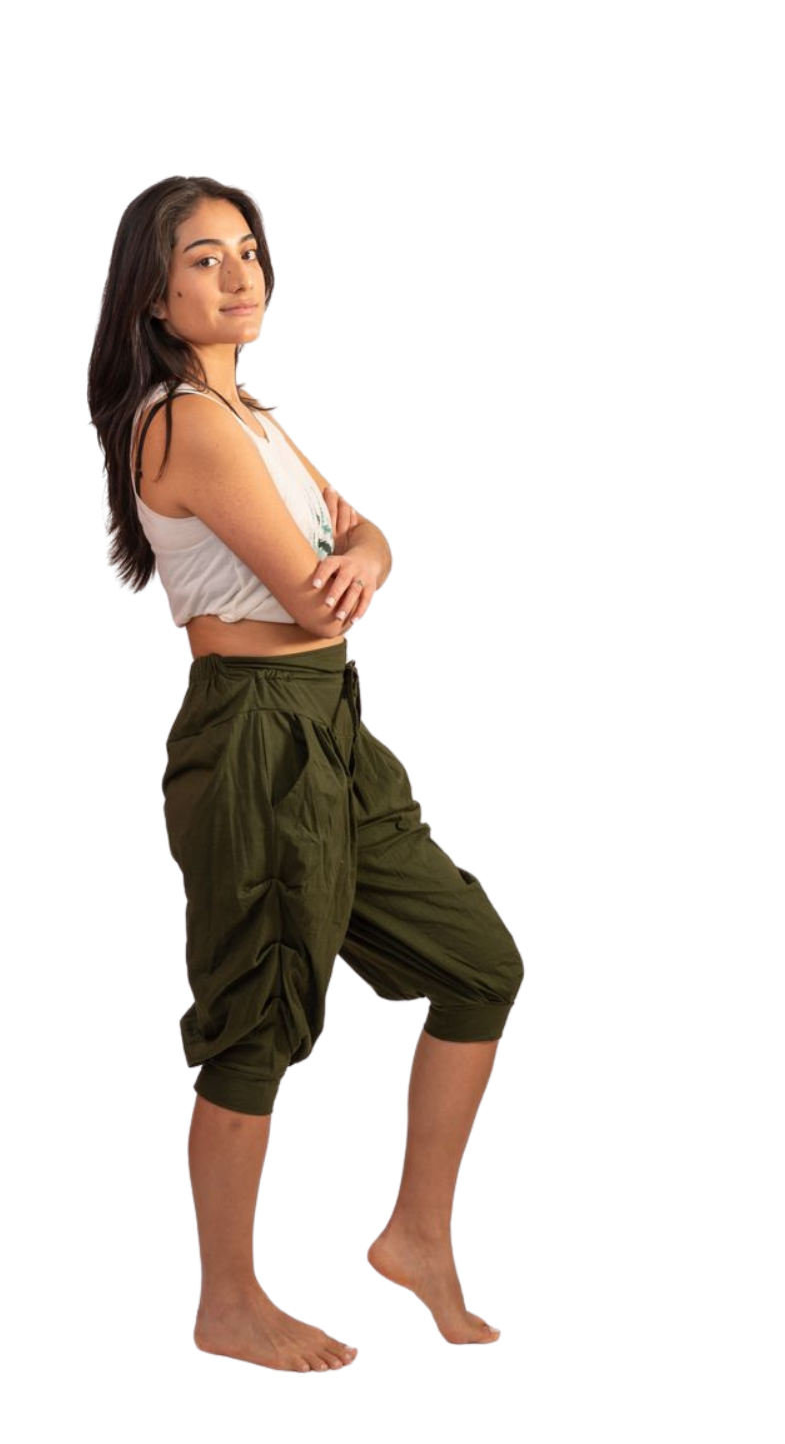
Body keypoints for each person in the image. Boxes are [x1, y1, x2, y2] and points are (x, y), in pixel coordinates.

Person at [88, 175, 524, 1375]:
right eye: (203, 258)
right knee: (257, 1015)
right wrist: (351, 568)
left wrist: (364, 558)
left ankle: (415, 1236)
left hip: (330, 723)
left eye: (247, 249)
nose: (239, 275)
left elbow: (364, 538)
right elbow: (314, 592)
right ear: (154, 294)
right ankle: (227, 1302)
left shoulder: (252, 417)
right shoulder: (183, 422)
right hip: (253, 735)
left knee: (478, 963)